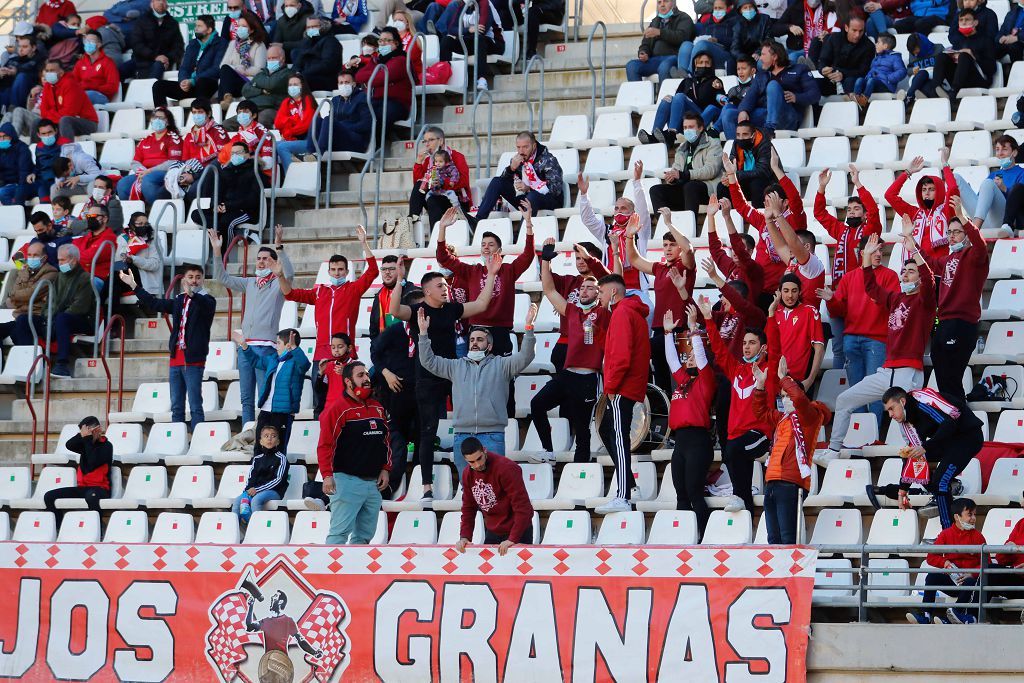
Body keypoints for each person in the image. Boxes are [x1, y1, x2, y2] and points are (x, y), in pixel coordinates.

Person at [816, 231, 934, 465]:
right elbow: (870, 287)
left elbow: (930, 282)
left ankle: (917, 470)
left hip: (908, 371)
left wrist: (916, 253)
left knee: (905, 422)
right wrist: (867, 260)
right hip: (886, 369)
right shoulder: (895, 299)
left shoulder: (925, 302)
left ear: (920, 278)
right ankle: (833, 450)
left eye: (911, 271)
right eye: (904, 270)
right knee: (844, 400)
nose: (905, 274)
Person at [389, 258, 499, 502]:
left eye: (445, 285)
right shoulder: (418, 311)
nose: (445, 288)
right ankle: (427, 486)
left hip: (453, 374)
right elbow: (394, 310)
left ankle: (473, 480)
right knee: (427, 432)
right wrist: (399, 281)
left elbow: (481, 303)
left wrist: (491, 274)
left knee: (467, 423)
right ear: (427, 290)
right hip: (427, 378)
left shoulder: (451, 309)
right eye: (440, 285)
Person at [418, 302, 536, 475]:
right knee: (468, 487)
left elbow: (526, 356)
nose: (474, 343)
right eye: (472, 339)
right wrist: (423, 334)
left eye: (480, 340)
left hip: (492, 435)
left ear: (489, 346)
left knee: (494, 486)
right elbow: (429, 361)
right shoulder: (456, 366)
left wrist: (529, 327)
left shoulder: (502, 365)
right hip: (462, 435)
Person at [278, 225, 378, 416]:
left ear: (347, 271)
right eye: (333, 270)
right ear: (329, 272)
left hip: (345, 353)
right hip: (322, 352)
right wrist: (280, 275)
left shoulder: (353, 290)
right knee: (320, 400)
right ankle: (321, 438)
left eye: (341, 269)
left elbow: (373, 271)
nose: (337, 273)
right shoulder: (319, 292)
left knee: (346, 398)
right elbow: (289, 293)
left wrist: (364, 243)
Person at [868, 386, 984, 529]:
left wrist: (925, 447)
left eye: (892, 408)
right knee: (914, 460)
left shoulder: (921, 403)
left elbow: (949, 424)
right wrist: (902, 491)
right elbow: (912, 457)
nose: (890, 415)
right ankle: (945, 490)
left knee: (940, 481)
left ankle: (947, 533)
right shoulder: (907, 420)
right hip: (948, 440)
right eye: (888, 411)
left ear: (903, 402)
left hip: (967, 437)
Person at [436, 205, 535, 372]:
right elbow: (443, 257)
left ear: (500, 250)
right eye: (483, 244)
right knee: (476, 376)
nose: (486, 247)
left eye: (491, 244)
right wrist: (442, 228)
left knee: (505, 378)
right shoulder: (472, 271)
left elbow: (528, 255)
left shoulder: (509, 270)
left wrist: (528, 223)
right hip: (476, 331)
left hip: (500, 332)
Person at [211, 226, 291, 424]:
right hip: (246, 348)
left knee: (264, 396)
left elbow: (288, 274)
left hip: (266, 347)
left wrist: (279, 247)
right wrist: (217, 250)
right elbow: (222, 278)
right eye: (259, 258)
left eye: (266, 258)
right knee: (246, 398)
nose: (261, 261)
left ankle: (267, 434)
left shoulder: (279, 283)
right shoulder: (250, 282)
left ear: (274, 262)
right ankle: (249, 434)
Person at [120, 264, 216, 430]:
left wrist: (192, 294)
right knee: (176, 406)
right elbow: (155, 303)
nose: (194, 280)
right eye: (190, 277)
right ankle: (176, 440)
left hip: (193, 360)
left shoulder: (207, 300)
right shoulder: (179, 300)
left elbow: (204, 306)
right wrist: (134, 286)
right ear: (184, 279)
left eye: (198, 277)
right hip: (176, 359)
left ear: (203, 280)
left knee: (195, 405)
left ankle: (199, 438)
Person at [699, 293, 770, 512]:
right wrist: (708, 319)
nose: (747, 347)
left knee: (733, 450)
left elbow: (775, 343)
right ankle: (745, 502)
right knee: (735, 452)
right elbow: (719, 350)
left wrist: (774, 317)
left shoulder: (769, 370)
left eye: (752, 343)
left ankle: (740, 495)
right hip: (738, 435)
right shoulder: (736, 369)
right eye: (745, 343)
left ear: (763, 347)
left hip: (760, 434)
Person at [818, 234, 899, 425]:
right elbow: (839, 311)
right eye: (874, 250)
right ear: (863, 253)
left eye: (881, 249)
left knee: (875, 390)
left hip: (877, 340)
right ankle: (860, 434)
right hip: (852, 339)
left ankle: (873, 435)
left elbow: (894, 306)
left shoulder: (890, 276)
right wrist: (830, 300)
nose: (878, 253)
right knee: (856, 391)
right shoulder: (848, 278)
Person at [533, 268, 609, 464]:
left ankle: (579, 473)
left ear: (599, 293)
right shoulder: (572, 311)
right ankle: (548, 452)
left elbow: (615, 284)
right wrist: (546, 261)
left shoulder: (604, 313)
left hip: (588, 378)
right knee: (537, 403)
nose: (584, 291)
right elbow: (549, 290)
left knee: (582, 430)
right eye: (582, 287)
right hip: (567, 375)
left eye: (590, 288)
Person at [752, 353, 831, 544]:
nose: (786, 399)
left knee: (788, 540)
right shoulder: (782, 418)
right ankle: (779, 575)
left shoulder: (810, 417)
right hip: (772, 481)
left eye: (788, 396)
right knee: (773, 540)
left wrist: (783, 378)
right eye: (783, 396)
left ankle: (790, 574)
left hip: (791, 483)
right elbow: (760, 411)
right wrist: (760, 385)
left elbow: (799, 399)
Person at [917, 196, 988, 400]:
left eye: (957, 232)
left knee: (951, 384)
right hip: (944, 324)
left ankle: (963, 426)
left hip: (962, 323)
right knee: (946, 387)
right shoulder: (947, 259)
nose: (951, 236)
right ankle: (959, 425)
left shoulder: (975, 256)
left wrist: (962, 218)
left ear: (966, 235)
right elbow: (928, 262)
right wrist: (913, 245)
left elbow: (981, 245)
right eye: (949, 232)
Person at [813, 164, 882, 371]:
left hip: (860, 296)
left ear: (863, 215)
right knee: (838, 347)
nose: (851, 212)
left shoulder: (869, 231)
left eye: (856, 209)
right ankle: (838, 384)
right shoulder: (840, 230)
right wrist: (821, 188)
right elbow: (819, 213)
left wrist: (858, 184)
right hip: (838, 294)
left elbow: (875, 211)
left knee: (856, 346)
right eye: (849, 209)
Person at [317, 361, 392, 544]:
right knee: (338, 535)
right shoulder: (337, 409)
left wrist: (385, 468)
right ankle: (331, 572)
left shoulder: (377, 407)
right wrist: (327, 475)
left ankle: (354, 571)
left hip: (373, 484)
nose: (366, 379)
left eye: (366, 374)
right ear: (348, 382)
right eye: (360, 376)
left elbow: (386, 442)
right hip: (346, 482)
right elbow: (325, 445)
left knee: (364, 538)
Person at [594, 273, 651, 514]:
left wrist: (611, 389)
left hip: (621, 387)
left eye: (601, 292)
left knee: (619, 438)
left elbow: (620, 357)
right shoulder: (628, 312)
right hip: (627, 385)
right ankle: (630, 486)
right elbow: (611, 348)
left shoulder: (622, 313)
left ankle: (623, 495)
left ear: (613, 293)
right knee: (609, 431)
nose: (599, 296)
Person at [623, 210, 696, 392]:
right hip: (659, 328)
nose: (669, 248)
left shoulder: (685, 265)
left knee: (683, 376)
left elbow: (688, 249)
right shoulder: (660, 268)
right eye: (665, 245)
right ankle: (663, 410)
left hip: (681, 327)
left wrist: (669, 223)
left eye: (672, 244)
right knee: (662, 375)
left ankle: (685, 413)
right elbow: (633, 259)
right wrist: (629, 237)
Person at [663, 305, 716, 538]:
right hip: (681, 443)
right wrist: (667, 334)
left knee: (695, 493)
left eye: (694, 355)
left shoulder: (706, 381)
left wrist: (694, 328)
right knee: (681, 495)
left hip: (698, 441)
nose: (691, 357)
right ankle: (683, 538)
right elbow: (671, 360)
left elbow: (702, 356)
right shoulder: (683, 380)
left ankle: (704, 537)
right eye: (690, 355)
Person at [722, 147, 806, 295]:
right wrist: (731, 175)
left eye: (772, 200)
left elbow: (795, 199)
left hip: (782, 289)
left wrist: (775, 169)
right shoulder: (763, 220)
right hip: (759, 287)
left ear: (785, 203)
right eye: (766, 201)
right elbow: (741, 206)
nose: (768, 205)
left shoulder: (795, 219)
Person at [579, 162, 652, 302]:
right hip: (611, 291)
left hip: (637, 290)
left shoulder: (640, 230)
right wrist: (583, 195)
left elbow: (643, 210)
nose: (619, 211)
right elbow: (588, 219)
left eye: (624, 208)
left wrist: (637, 182)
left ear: (632, 212)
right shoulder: (606, 231)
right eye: (617, 208)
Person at [370, 291, 421, 486]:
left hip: (421, 393)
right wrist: (386, 373)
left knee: (423, 440)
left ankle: (419, 484)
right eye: (418, 307)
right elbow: (375, 353)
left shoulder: (430, 330)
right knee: (397, 442)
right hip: (396, 393)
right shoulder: (394, 331)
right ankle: (390, 485)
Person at [455, 438, 535, 554]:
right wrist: (465, 537)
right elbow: (468, 508)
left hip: (518, 528)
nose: (478, 464)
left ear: (484, 451)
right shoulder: (467, 474)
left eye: (479, 458)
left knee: (515, 571)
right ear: (465, 460)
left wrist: (513, 538)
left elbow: (523, 507)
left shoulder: (507, 468)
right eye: (472, 462)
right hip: (493, 529)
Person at [538, 240, 608, 372]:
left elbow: (611, 277)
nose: (581, 262)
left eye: (584, 258)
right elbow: (548, 287)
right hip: (564, 343)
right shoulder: (569, 281)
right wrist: (545, 260)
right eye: (577, 258)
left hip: (589, 345)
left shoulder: (605, 285)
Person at [234, 327, 310, 447]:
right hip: (265, 409)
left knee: (278, 448)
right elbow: (255, 361)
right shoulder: (273, 359)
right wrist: (244, 345)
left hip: (283, 411)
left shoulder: (296, 362)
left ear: (288, 345)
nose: (276, 346)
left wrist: (295, 348)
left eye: (278, 343)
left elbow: (305, 364)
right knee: (259, 447)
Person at [729, 41, 820, 137]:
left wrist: (796, 97)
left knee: (773, 85)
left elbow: (815, 94)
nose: (760, 58)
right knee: (729, 114)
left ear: (775, 57)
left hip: (788, 117)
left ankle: (769, 128)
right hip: (765, 114)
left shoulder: (799, 69)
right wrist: (744, 110)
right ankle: (738, 149)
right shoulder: (762, 75)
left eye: (763, 54)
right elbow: (750, 96)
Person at [474, 131, 564, 221]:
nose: (521, 151)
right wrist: (511, 168)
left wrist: (528, 188)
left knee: (532, 196)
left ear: (534, 146)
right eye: (518, 147)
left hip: (549, 200)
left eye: (525, 147)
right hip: (526, 198)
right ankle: (477, 221)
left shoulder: (548, 160)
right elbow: (504, 182)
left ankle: (524, 232)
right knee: (497, 182)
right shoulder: (517, 160)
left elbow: (555, 190)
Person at [884, 154, 959, 260]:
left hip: (936, 270)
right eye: (924, 190)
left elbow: (953, 189)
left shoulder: (947, 210)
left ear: (940, 192)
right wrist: (907, 172)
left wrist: (945, 164)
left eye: (931, 189)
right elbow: (889, 195)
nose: (926, 193)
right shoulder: (914, 213)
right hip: (915, 268)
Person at [647, 112, 724, 214]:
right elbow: (677, 169)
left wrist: (685, 175)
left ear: (700, 128)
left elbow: (711, 170)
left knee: (690, 186)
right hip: (686, 190)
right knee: (656, 190)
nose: (687, 130)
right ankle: (665, 225)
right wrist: (672, 178)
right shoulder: (682, 149)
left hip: (708, 190)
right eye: (685, 127)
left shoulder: (713, 144)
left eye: (691, 127)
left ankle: (690, 225)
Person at [639, 53, 724, 143]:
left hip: (702, 119)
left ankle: (671, 133)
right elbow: (676, 103)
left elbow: (719, 101)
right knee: (667, 100)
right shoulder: (687, 81)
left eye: (707, 63)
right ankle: (654, 136)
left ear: (711, 65)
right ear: (695, 65)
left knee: (680, 96)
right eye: (701, 62)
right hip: (684, 121)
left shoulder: (715, 81)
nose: (704, 65)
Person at [190, 141, 264, 243]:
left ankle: (225, 256)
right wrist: (216, 206)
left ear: (247, 154)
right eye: (232, 153)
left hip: (245, 211)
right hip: (225, 209)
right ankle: (237, 233)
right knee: (197, 214)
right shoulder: (226, 171)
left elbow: (253, 198)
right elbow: (217, 192)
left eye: (238, 153)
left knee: (226, 222)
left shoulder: (255, 171)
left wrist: (228, 206)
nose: (235, 156)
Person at [43, 416, 112, 525]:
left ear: (97, 430)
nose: (84, 435)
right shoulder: (85, 443)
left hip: (100, 489)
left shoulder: (107, 446)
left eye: (87, 432)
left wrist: (88, 439)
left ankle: (96, 528)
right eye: (83, 433)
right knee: (49, 496)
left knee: (91, 497)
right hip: (83, 488)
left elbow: (93, 461)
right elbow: (69, 444)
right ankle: (58, 527)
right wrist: (84, 435)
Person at [45, 244, 95, 378]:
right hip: (59, 319)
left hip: (83, 320)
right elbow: (50, 302)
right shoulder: (58, 277)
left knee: (62, 318)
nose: (59, 263)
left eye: (62, 260)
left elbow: (80, 307)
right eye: (59, 260)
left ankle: (62, 365)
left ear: (73, 260)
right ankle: (31, 365)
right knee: (24, 321)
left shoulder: (85, 278)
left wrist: (55, 319)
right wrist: (47, 318)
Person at [920, 9, 995, 98]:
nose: (963, 22)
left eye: (967, 20)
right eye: (961, 20)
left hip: (979, 79)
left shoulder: (986, 40)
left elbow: (992, 68)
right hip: (960, 78)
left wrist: (973, 56)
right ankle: (934, 90)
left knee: (964, 56)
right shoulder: (958, 42)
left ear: (975, 22)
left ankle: (953, 93)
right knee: (942, 56)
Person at [957, 135, 1024, 233]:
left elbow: (1020, 200)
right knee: (955, 177)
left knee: (988, 183)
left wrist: (1004, 189)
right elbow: (981, 204)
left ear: (1014, 152)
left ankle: (973, 231)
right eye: (997, 149)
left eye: (1004, 149)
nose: (1000, 153)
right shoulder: (993, 175)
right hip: (984, 219)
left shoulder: (1021, 173)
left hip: (1005, 220)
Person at [354, 27, 412, 139]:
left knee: (377, 115)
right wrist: (375, 72)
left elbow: (382, 78)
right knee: (359, 111)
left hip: (397, 103)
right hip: (377, 100)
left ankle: (375, 146)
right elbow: (359, 76)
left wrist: (373, 73)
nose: (382, 43)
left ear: (396, 43)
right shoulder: (377, 59)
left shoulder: (400, 60)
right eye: (380, 41)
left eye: (387, 40)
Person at [117, 107, 182, 202]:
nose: (157, 120)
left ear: (168, 122)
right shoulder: (145, 140)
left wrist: (149, 171)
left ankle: (155, 209)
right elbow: (135, 162)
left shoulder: (173, 138)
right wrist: (142, 171)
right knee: (123, 183)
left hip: (164, 173)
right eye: (155, 117)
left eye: (161, 118)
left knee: (148, 179)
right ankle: (134, 213)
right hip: (143, 173)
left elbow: (173, 162)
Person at [0, 242, 58, 345]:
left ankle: (29, 360)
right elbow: (16, 257)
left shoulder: (51, 272)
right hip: (21, 316)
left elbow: (31, 294)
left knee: (17, 331)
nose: (31, 258)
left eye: (35, 255)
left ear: (44, 258)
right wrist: (19, 295)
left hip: (38, 318)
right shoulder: (25, 270)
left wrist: (18, 296)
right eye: (29, 255)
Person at [437, 1, 501, 92]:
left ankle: (482, 79)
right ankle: (443, 75)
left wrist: (462, 32)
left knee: (479, 39)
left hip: (494, 42)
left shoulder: (484, 3)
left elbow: (482, 29)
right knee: (447, 40)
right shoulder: (462, 6)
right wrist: (468, 30)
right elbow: (451, 29)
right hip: (472, 41)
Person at [306, 70, 371, 158]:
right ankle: (310, 153)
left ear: (354, 84)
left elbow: (365, 125)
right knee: (317, 120)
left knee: (329, 120)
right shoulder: (335, 100)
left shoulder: (362, 97)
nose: (344, 85)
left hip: (356, 140)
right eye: (341, 83)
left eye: (347, 82)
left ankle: (319, 153)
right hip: (338, 139)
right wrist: (338, 126)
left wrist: (342, 126)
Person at [232, 423, 289, 522]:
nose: (270, 439)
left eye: (273, 436)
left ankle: (257, 528)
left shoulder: (281, 458)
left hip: (274, 491)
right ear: (261, 441)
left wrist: (257, 489)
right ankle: (235, 530)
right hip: (256, 490)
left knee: (256, 500)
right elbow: (251, 477)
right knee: (237, 502)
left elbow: (278, 480)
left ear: (278, 441)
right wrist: (247, 491)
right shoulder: (257, 459)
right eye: (266, 436)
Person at [627, 0, 695, 83]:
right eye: (659, 2)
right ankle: (638, 96)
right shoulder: (655, 21)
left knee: (664, 67)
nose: (662, 5)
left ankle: (663, 96)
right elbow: (645, 42)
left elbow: (682, 37)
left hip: (674, 58)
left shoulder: (683, 17)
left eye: (666, 1)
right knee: (631, 66)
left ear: (673, 3)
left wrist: (660, 32)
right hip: (654, 60)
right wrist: (643, 52)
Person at [676, 0, 738, 76]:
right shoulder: (709, 21)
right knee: (686, 45)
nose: (717, 10)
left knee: (702, 44)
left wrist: (717, 39)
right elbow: (702, 36)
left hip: (724, 52)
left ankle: (690, 74)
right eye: (715, 8)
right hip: (706, 50)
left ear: (728, 8)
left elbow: (736, 41)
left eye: (720, 8)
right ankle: (681, 74)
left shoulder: (735, 20)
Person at [816, 15, 873, 97]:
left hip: (851, 80)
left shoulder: (868, 46)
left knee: (850, 81)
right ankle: (818, 109)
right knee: (814, 83)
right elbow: (823, 60)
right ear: (846, 28)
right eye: (854, 30)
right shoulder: (834, 38)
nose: (857, 35)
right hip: (831, 77)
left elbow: (863, 71)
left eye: (861, 31)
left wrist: (842, 74)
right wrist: (823, 69)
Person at [218, 12, 268, 104]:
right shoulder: (233, 44)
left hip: (249, 82)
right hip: (233, 80)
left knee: (224, 82)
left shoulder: (259, 45)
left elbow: (260, 70)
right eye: (239, 26)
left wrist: (244, 71)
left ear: (252, 30)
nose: (240, 29)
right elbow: (223, 65)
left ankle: (225, 102)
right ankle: (226, 99)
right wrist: (236, 69)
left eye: (244, 26)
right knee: (225, 69)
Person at [126, 0, 184, 79]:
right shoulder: (141, 21)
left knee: (157, 67)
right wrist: (154, 56)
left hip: (162, 62)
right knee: (120, 71)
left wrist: (167, 58)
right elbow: (136, 44)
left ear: (166, 4)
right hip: (141, 60)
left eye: (163, 1)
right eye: (158, 0)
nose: (161, 3)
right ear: (151, 3)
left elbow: (179, 47)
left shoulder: (173, 23)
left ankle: (150, 89)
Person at [40, 60, 97, 139]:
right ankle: (39, 150)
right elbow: (43, 112)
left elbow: (69, 112)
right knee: (37, 123)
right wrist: (51, 118)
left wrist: (50, 115)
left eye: (52, 70)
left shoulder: (70, 84)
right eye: (47, 71)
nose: (48, 73)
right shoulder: (47, 86)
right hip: (58, 121)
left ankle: (68, 149)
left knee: (65, 120)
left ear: (61, 73)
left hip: (87, 123)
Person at [239, 44, 292, 128]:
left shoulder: (287, 73)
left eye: (274, 58)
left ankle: (262, 141)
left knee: (261, 120)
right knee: (227, 123)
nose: (271, 61)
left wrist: (256, 84)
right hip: (253, 109)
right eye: (269, 58)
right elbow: (245, 90)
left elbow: (272, 85)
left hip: (273, 109)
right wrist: (261, 90)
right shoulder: (261, 74)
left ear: (282, 59)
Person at [718, 120, 772, 202]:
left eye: (745, 134)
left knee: (756, 183)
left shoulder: (764, 144)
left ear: (753, 136)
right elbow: (732, 164)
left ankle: (758, 214)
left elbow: (763, 171)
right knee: (722, 186)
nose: (741, 138)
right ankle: (728, 213)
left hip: (765, 183)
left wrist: (736, 175)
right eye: (738, 135)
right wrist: (728, 176)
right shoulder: (736, 144)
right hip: (744, 181)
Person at [114, 214, 163, 302]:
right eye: (140, 224)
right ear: (132, 225)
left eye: (146, 224)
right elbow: (117, 263)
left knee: (113, 281)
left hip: (143, 280)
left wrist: (133, 259)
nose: (143, 226)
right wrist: (124, 260)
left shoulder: (153, 238)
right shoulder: (123, 238)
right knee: (113, 282)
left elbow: (155, 264)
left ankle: (105, 313)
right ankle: (108, 312)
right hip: (124, 277)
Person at [274, 73, 315, 176]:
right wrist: (293, 120)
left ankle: (292, 177)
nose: (292, 87)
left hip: (310, 141)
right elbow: (278, 123)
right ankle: (276, 180)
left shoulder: (308, 100)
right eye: (290, 85)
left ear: (302, 86)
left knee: (282, 147)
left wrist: (288, 131)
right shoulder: (287, 102)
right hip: (294, 139)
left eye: (295, 84)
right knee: (272, 145)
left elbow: (305, 125)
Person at [772, 0, 837, 64]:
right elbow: (775, 29)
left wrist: (827, 34)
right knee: (792, 58)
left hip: (820, 48)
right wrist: (789, 27)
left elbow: (837, 29)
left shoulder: (828, 6)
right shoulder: (795, 6)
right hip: (798, 49)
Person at [368, 254, 415, 341]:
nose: (387, 272)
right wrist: (375, 348)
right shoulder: (379, 295)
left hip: (405, 348)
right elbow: (374, 327)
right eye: (384, 269)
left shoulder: (412, 292)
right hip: (384, 348)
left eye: (392, 269)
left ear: (400, 269)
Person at [850, 33, 906, 106]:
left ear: (885, 46)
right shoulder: (876, 58)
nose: (875, 44)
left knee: (871, 81)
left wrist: (889, 78)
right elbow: (871, 71)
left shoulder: (895, 57)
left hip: (886, 85)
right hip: (873, 83)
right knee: (859, 80)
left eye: (878, 42)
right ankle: (856, 101)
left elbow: (902, 71)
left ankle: (864, 101)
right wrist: (867, 78)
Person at [291, 16, 342, 92]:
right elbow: (297, 62)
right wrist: (296, 73)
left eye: (314, 26)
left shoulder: (331, 42)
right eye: (308, 27)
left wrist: (304, 73)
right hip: (307, 76)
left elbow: (327, 65)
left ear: (322, 26)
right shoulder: (306, 42)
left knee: (302, 81)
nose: (311, 29)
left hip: (326, 79)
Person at [71, 208, 117, 290]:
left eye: (93, 216)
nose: (90, 218)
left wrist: (76, 255)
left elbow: (90, 258)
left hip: (97, 278)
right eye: (88, 216)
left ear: (105, 219)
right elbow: (69, 253)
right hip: (81, 276)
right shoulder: (85, 237)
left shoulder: (109, 239)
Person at [72, 31, 119, 105]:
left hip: (101, 96)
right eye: (86, 41)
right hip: (83, 94)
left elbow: (113, 87)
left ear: (99, 45)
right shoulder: (80, 63)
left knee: (85, 95)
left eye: (91, 41)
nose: (88, 44)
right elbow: (73, 83)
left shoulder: (108, 62)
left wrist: (94, 87)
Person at [0, 36, 44, 110]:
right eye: (19, 46)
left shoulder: (40, 60)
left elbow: (38, 77)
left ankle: (13, 109)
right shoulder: (13, 59)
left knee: (21, 76)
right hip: (6, 92)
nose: (20, 49)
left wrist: (16, 72)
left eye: (25, 47)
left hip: (27, 94)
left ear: (33, 48)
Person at [182, 98, 230, 165]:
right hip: (190, 171)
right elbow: (185, 160)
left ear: (209, 114)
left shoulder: (218, 131)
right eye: (194, 112)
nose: (197, 115)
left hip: (211, 170)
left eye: (200, 112)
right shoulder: (189, 136)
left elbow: (223, 155)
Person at [897, 32, 938, 105]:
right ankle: (931, 96)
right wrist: (912, 70)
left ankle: (908, 97)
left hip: (934, 77)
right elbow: (909, 70)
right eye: (913, 52)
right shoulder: (912, 54)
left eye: (916, 49)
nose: (915, 54)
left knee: (923, 73)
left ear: (922, 44)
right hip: (917, 80)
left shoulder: (938, 48)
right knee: (922, 76)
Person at [0, 122, 34, 205]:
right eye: (0, 137)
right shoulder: (1, 150)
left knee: (3, 192)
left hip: (22, 184)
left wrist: (20, 190)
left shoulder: (22, 148)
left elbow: (24, 171)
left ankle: (17, 214)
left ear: (12, 136)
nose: (2, 140)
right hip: (7, 184)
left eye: (5, 136)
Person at [730, 1, 773, 66]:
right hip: (745, 56)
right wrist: (745, 58)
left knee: (760, 64)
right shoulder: (737, 24)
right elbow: (735, 47)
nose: (748, 10)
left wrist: (758, 53)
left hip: (762, 53)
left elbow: (769, 39)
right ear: (740, 11)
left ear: (755, 8)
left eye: (751, 7)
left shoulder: (764, 19)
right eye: (745, 8)